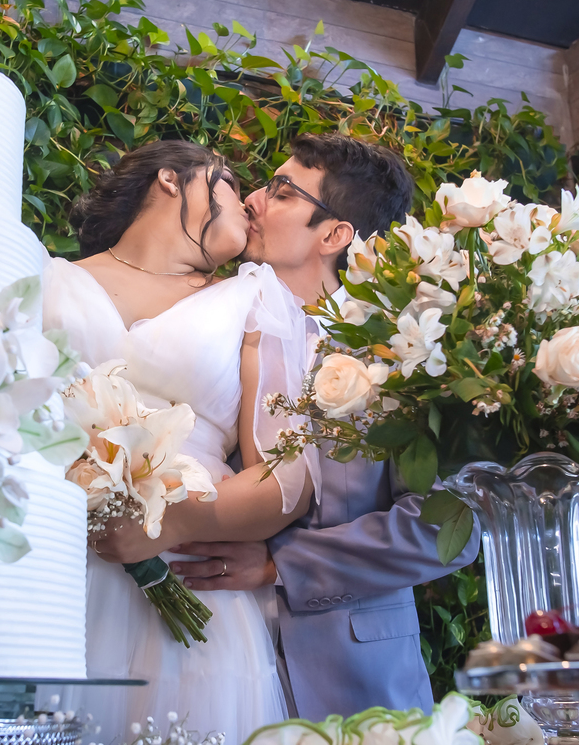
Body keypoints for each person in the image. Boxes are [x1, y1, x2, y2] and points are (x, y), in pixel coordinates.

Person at [97, 133, 481, 719]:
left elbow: (447, 528)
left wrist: (281, 565)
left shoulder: (400, 356)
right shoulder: (216, 321)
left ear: (333, 235)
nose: (250, 199)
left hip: (352, 678)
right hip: (208, 655)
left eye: (280, 193)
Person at [42, 140, 318, 745]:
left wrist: (171, 524)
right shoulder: (45, 277)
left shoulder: (253, 298)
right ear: (171, 179)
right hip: (46, 567)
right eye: (230, 183)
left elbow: (286, 476)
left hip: (187, 577)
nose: (249, 203)